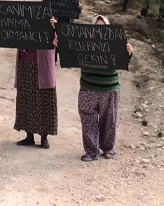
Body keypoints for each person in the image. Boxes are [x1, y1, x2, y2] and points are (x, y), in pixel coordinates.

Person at [51, 14, 133, 162]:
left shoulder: (115, 42)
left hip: (110, 89)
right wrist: (60, 46)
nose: (100, 30)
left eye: (104, 27)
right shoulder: (84, 43)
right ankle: (91, 151)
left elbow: (124, 61)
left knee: (110, 120)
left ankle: (108, 149)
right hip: (88, 88)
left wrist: (129, 53)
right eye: (97, 27)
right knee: (88, 120)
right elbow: (70, 59)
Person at [0, 21, 57, 149]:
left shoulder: (49, 24)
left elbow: (62, 41)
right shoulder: (22, 22)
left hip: (43, 67)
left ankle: (44, 137)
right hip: (25, 64)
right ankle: (29, 135)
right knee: (26, 99)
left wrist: (55, 29)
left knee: (44, 99)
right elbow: (6, 33)